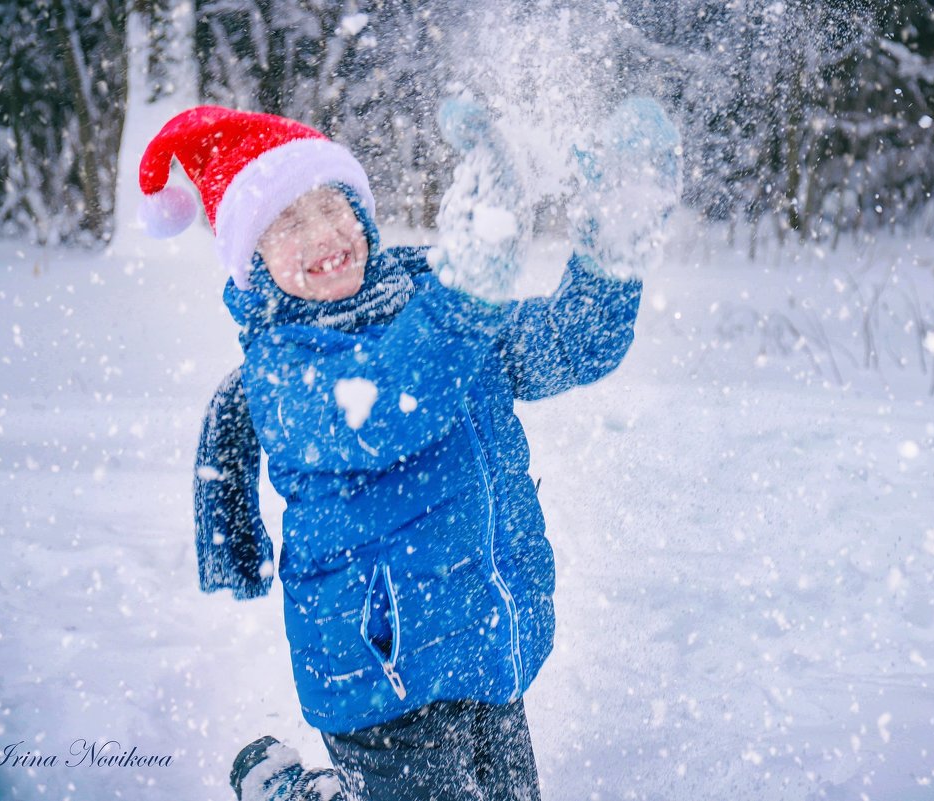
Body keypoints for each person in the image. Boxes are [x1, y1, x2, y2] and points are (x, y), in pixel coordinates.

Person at [136, 99, 679, 801]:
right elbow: (389, 406)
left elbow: (567, 345)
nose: (322, 233)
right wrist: (469, 287)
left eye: (333, 207)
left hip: (485, 643)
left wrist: (612, 247)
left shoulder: (432, 300)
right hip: (383, 683)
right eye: (288, 223)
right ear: (255, 260)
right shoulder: (283, 367)